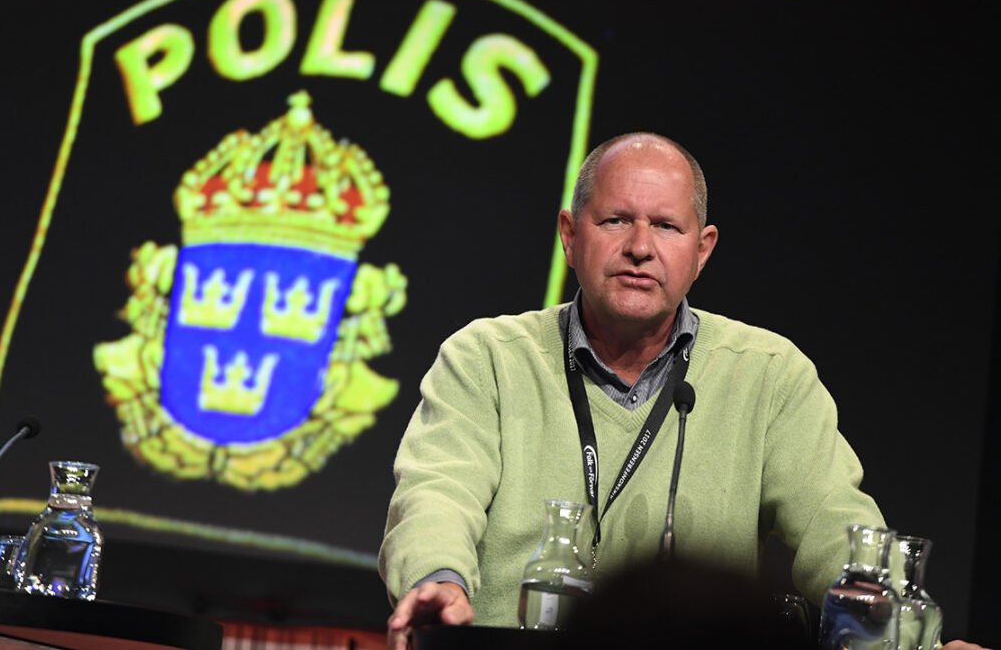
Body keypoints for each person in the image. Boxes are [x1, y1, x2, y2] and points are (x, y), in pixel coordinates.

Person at [378, 133, 988, 650]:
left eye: (666, 226)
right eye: (616, 220)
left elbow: (837, 528)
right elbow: (437, 493)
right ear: (570, 235)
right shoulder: (487, 357)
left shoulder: (768, 373)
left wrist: (917, 645)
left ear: (702, 251)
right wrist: (438, 580)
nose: (640, 247)